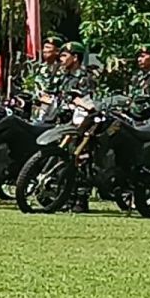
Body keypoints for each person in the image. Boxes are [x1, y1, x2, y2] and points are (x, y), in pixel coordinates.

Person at [57, 41, 97, 213]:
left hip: (82, 125)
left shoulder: (86, 77)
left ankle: (81, 198)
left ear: (76, 57)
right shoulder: (63, 76)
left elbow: (89, 102)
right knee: (63, 159)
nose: (61, 59)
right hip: (64, 124)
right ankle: (66, 195)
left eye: (65, 55)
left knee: (81, 160)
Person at [126, 43, 150, 121]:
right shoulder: (137, 76)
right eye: (138, 57)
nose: (139, 59)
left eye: (142, 56)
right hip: (134, 115)